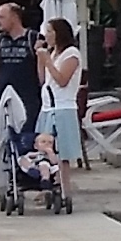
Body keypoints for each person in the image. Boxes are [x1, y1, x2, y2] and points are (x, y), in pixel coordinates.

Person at [37, 18, 84, 163]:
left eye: (50, 32)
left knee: (62, 154)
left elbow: (62, 80)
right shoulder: (53, 54)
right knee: (45, 151)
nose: (46, 35)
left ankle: (64, 177)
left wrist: (48, 62)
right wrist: (41, 60)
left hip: (63, 107)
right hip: (47, 107)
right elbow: (43, 80)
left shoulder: (71, 54)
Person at [0, 2, 39, 130]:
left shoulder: (33, 38)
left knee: (26, 134)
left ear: (14, 17)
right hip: (2, 96)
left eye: (1, 17)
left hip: (27, 97)